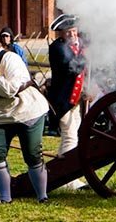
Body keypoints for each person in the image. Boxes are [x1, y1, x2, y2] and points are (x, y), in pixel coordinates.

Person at [0, 34, 50, 203]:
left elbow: (10, 90)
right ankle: (5, 198)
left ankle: (42, 197)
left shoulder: (11, 59)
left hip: (28, 110)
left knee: (32, 155)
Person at [46, 14, 86, 192]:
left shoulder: (72, 47)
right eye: (69, 31)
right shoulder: (58, 48)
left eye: (74, 30)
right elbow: (71, 67)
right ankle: (70, 179)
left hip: (73, 100)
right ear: (61, 33)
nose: (73, 34)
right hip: (62, 101)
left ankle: (64, 173)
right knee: (70, 137)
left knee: (71, 136)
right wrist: (86, 56)